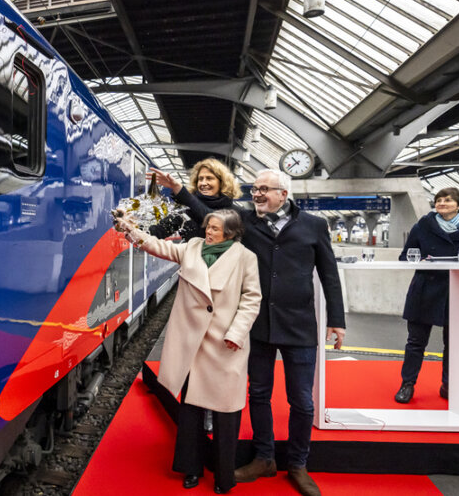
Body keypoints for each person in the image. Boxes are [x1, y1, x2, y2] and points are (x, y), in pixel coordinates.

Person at [148, 167, 345, 496]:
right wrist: (179, 188)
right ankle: (264, 458)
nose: (257, 194)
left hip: (299, 326)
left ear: (284, 193)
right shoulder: (246, 222)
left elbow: (329, 273)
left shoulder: (314, 225)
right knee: (258, 395)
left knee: (302, 401)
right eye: (254, 189)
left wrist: (336, 320)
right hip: (257, 326)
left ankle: (298, 464)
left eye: (265, 189)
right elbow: (207, 214)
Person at [115, 208, 260, 493]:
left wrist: (237, 333)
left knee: (225, 414)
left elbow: (252, 298)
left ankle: (223, 474)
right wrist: (130, 229)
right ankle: (190, 469)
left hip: (224, 343)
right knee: (191, 411)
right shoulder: (193, 247)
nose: (208, 232)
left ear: (230, 234)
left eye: (215, 229)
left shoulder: (245, 257)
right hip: (193, 344)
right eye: (208, 227)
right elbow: (160, 246)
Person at [394, 187, 459, 404]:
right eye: (438, 200)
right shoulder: (422, 226)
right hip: (424, 289)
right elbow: (405, 256)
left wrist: (458, 263)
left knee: (453, 343)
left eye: (447, 200)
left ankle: (448, 384)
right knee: (415, 342)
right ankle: (407, 384)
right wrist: (421, 261)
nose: (441, 203)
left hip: (457, 291)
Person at [150, 158, 241, 240]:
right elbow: (158, 231)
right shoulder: (186, 210)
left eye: (209, 178)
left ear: (222, 183)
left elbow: (211, 218)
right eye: (200, 179)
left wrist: (181, 191)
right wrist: (137, 230)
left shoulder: (235, 212)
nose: (203, 183)